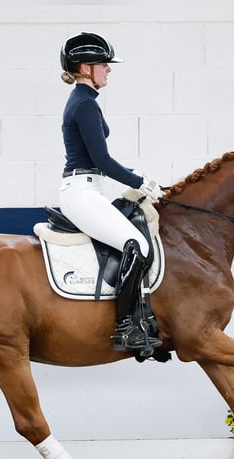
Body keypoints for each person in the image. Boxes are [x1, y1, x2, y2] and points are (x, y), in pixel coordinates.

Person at [58, 31, 163, 353]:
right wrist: (140, 182)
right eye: (104, 64)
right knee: (137, 245)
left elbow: (98, 159)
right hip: (81, 191)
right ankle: (126, 327)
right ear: (85, 67)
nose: (109, 69)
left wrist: (138, 176)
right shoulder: (85, 104)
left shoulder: (85, 102)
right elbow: (102, 160)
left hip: (89, 188)